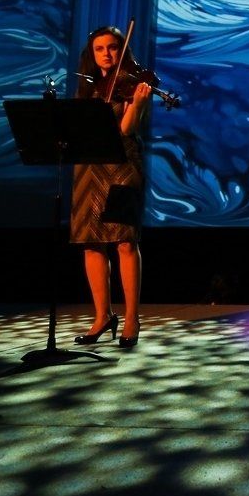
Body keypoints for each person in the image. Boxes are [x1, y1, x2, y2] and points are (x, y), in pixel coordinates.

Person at [70, 25, 152, 348]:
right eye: (100, 49)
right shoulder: (88, 88)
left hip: (122, 168)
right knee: (91, 243)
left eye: (113, 48)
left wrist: (140, 103)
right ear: (92, 54)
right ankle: (102, 316)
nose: (107, 54)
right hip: (89, 168)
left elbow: (126, 130)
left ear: (122, 51)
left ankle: (131, 318)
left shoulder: (133, 86)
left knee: (124, 242)